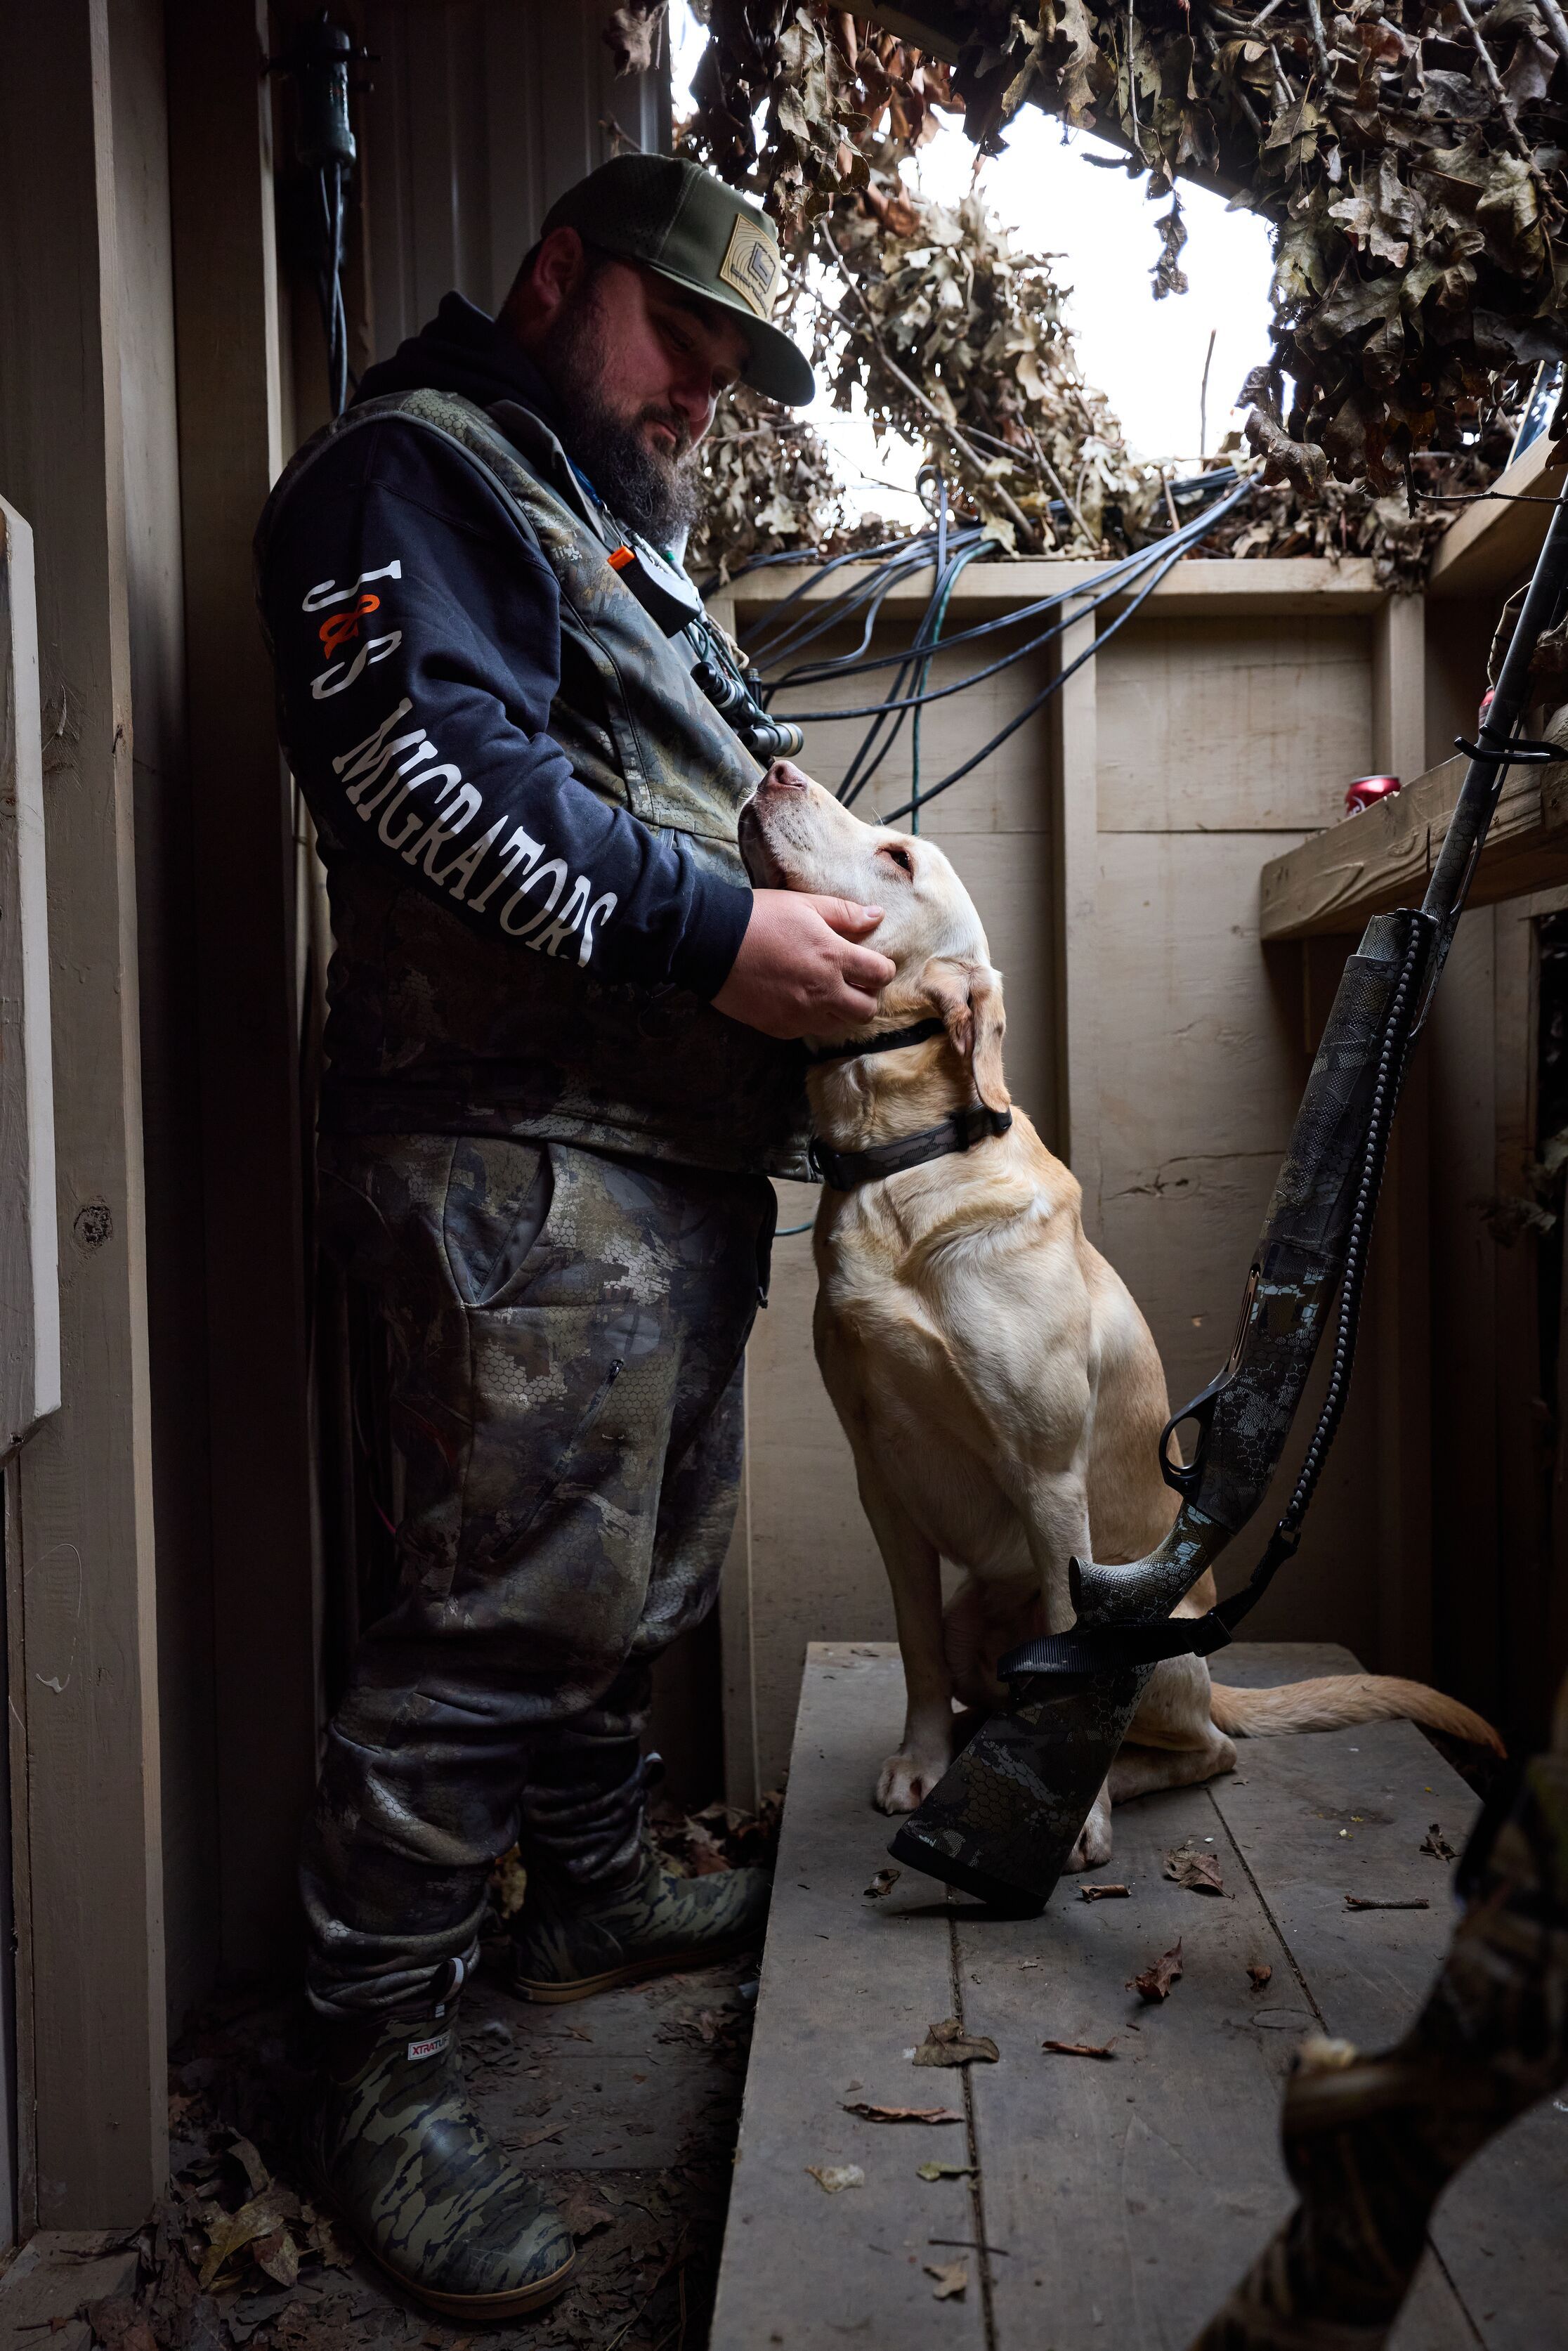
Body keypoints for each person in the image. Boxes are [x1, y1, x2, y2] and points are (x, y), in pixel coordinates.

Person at [254, 154, 894, 2317]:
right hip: (511, 1155)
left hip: (655, 1157)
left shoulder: (604, 519)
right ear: (555, 277)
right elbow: (417, 763)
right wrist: (727, 929)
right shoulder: (407, 479)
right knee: (502, 1612)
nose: (697, 396)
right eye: (676, 343)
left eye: (728, 377)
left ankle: (595, 1879)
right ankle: (371, 2051)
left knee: (641, 1565)